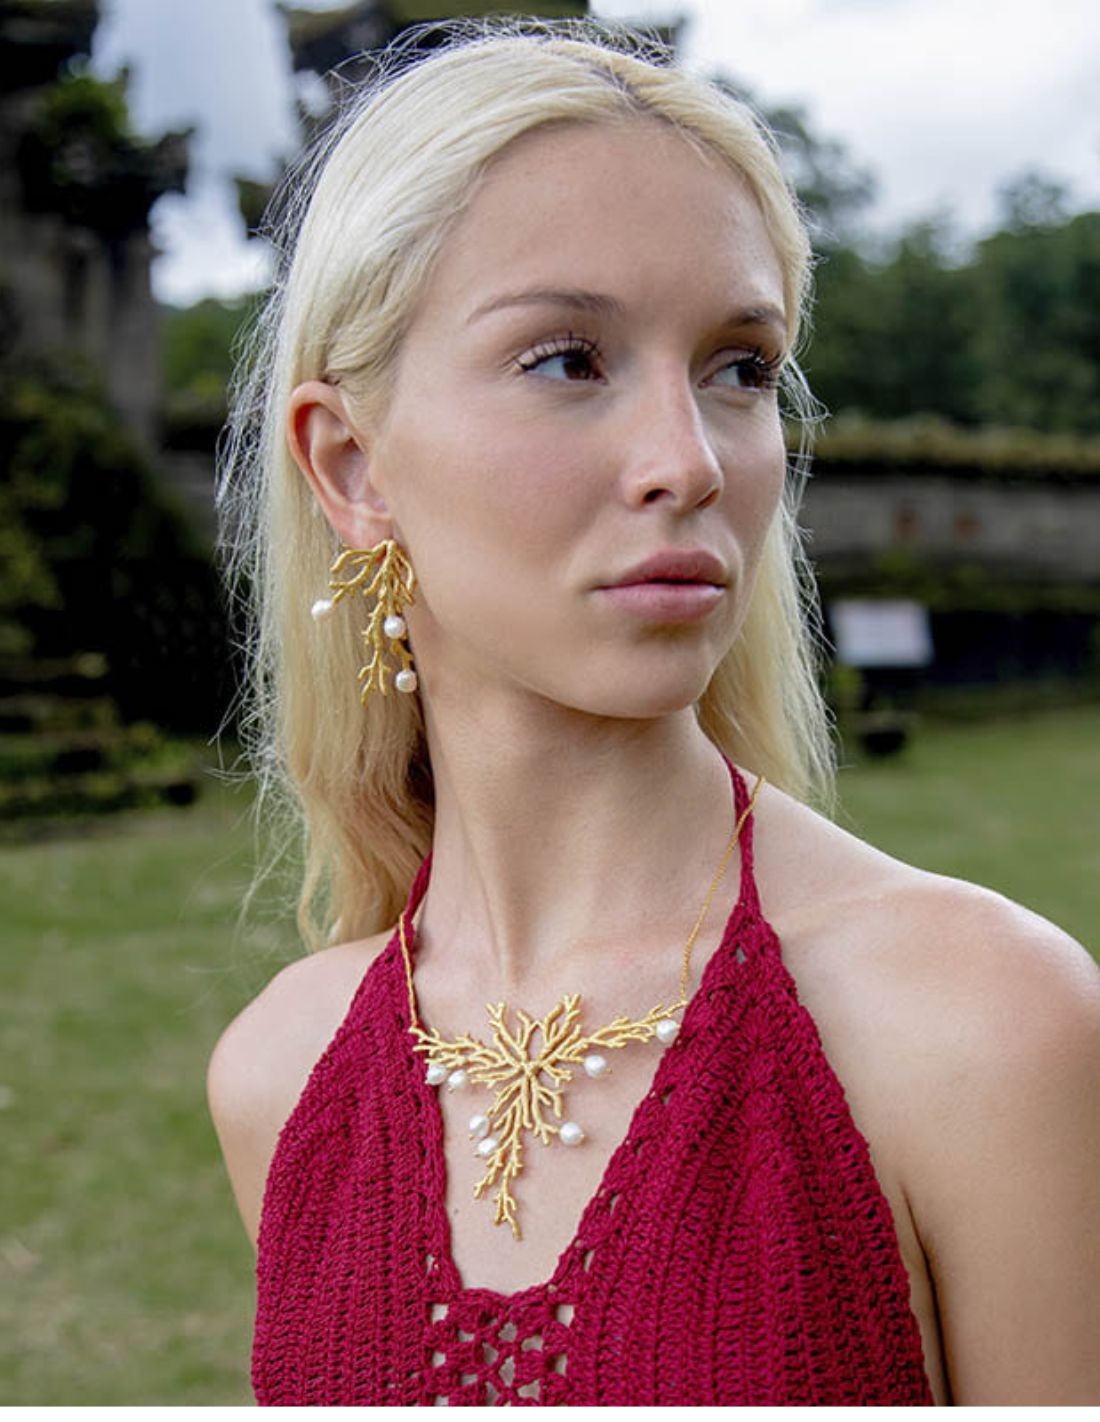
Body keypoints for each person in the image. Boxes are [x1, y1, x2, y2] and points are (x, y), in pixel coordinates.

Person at [206, 19, 1100, 1407]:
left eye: (739, 366)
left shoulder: (981, 1029)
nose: (689, 461)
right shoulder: (280, 1078)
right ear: (354, 466)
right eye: (568, 359)